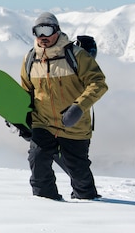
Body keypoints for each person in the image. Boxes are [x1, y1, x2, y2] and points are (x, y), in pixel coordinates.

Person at [20, 12, 108, 201]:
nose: (43, 36)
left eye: (47, 30)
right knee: (38, 163)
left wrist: (78, 108)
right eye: (38, 31)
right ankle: (45, 204)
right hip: (43, 124)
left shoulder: (76, 55)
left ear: (57, 30)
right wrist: (19, 116)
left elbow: (98, 83)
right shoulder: (30, 59)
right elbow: (26, 91)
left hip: (73, 125)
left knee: (79, 173)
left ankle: (89, 205)